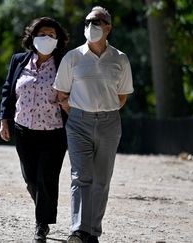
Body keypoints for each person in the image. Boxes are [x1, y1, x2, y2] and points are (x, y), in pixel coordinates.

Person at [53, 6, 134, 243]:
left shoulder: (120, 58)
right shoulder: (73, 57)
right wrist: (77, 111)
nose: (91, 26)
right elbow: (61, 93)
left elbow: (122, 96)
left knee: (101, 179)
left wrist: (103, 111)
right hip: (78, 122)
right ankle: (79, 230)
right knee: (81, 176)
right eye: (88, 21)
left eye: (97, 22)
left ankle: (92, 232)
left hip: (110, 123)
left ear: (108, 27)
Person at [0, 17, 69, 243]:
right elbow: (8, 90)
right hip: (23, 129)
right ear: (33, 37)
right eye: (42, 34)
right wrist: (4, 120)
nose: (46, 38)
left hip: (54, 132)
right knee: (30, 178)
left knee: (46, 178)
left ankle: (42, 225)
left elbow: (74, 95)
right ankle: (44, 209)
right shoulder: (19, 61)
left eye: (51, 35)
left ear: (57, 40)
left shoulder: (64, 64)